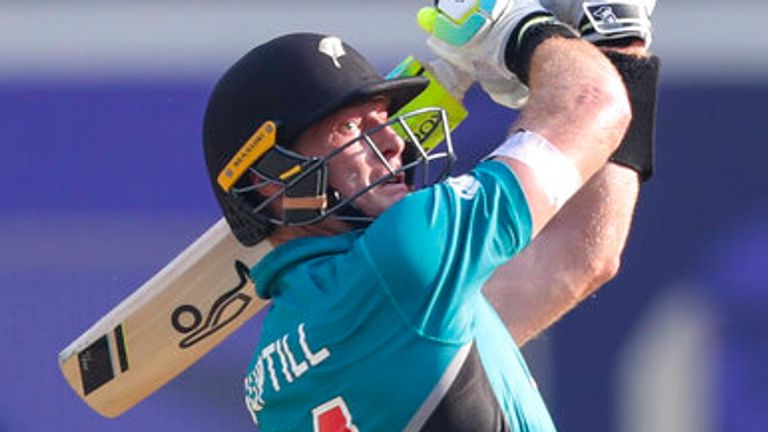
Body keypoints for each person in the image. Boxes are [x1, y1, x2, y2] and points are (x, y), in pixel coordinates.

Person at [201, 0, 659, 430]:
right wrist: (517, 28)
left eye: (381, 119)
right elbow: (590, 102)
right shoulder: (404, 257)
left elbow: (576, 258)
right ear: (270, 178)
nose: (392, 142)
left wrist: (618, 47)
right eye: (349, 127)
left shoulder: (268, 380)